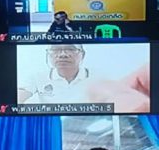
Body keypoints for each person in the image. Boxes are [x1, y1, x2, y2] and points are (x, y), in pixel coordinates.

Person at [17, 44, 149, 111]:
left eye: (70, 49)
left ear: (82, 55)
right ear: (49, 55)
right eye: (56, 50)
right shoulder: (36, 77)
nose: (63, 54)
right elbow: (17, 99)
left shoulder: (100, 76)